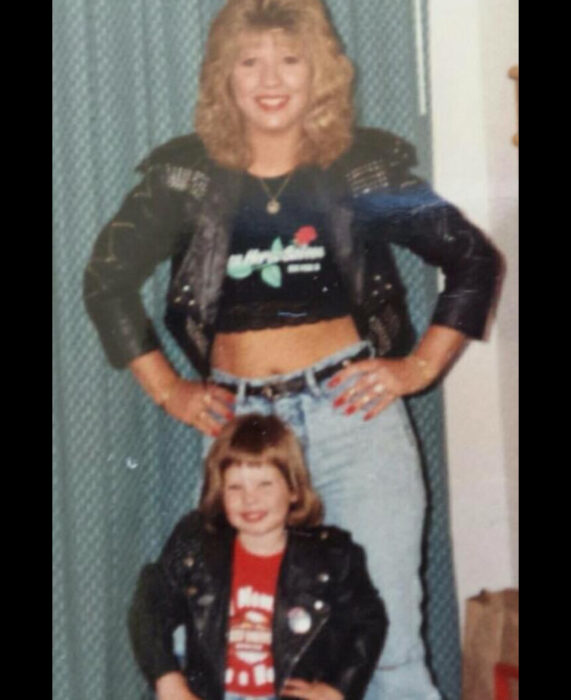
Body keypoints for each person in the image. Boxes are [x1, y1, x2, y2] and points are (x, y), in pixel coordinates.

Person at [84, 0, 501, 696]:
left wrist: (419, 366)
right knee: (222, 636)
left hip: (353, 420)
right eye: (249, 61)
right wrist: (169, 389)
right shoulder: (183, 177)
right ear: (224, 77)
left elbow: (471, 259)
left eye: (289, 58)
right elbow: (107, 279)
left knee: (387, 643)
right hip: (241, 432)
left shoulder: (362, 168)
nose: (269, 77)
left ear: (321, 75)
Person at [128, 413, 386, 700]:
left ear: (293, 490)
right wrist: (168, 681)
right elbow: (149, 606)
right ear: (220, 492)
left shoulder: (331, 556)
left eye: (265, 485)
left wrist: (339, 689)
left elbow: (368, 622)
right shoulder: (196, 544)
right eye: (235, 487)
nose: (250, 499)